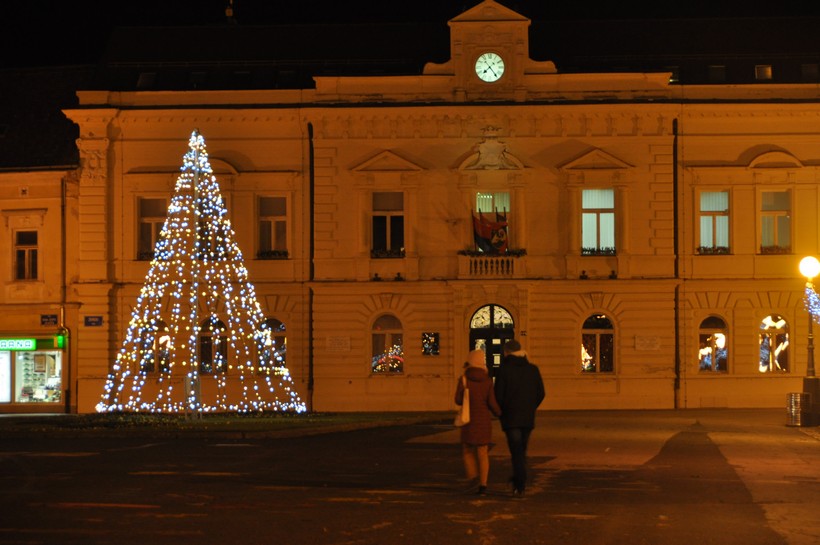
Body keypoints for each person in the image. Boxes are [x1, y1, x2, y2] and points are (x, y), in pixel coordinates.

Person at [494, 339, 545, 497]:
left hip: (511, 418)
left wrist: (503, 410)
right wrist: (530, 407)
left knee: (516, 451)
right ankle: (519, 481)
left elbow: (498, 395)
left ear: (507, 352)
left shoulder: (504, 370)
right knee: (521, 450)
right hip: (527, 417)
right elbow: (540, 393)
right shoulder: (532, 369)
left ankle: (519, 483)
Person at [455, 349, 501, 495]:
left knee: (468, 451)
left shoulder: (464, 379)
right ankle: (483, 484)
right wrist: (500, 413)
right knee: (482, 452)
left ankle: (472, 477)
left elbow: (457, 400)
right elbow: (492, 403)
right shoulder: (487, 381)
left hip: (468, 420)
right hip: (483, 422)